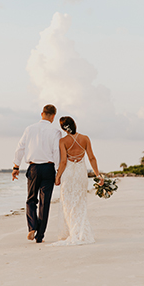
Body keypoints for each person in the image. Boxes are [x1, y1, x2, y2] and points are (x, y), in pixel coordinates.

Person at [12, 104, 62, 243]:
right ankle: (40, 236)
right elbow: (56, 153)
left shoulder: (29, 129)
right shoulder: (56, 132)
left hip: (33, 168)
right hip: (48, 168)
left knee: (31, 199)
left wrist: (16, 166)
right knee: (45, 203)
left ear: (42, 114)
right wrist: (58, 172)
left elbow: (20, 147)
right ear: (53, 116)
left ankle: (32, 227)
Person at [51, 116, 104, 246]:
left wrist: (57, 177)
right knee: (80, 202)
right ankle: (79, 231)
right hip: (81, 174)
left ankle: (72, 232)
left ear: (63, 128)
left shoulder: (63, 141)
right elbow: (92, 158)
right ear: (74, 124)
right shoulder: (85, 139)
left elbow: (63, 161)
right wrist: (98, 175)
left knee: (67, 203)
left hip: (68, 174)